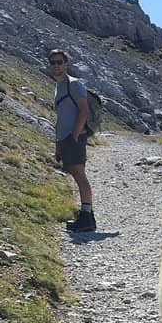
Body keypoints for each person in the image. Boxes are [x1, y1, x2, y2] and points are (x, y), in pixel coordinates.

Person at [48, 48, 95, 232]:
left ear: (66, 64)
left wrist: (74, 136)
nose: (56, 66)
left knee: (79, 175)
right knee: (77, 175)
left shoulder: (74, 84)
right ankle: (87, 217)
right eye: (53, 63)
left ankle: (86, 217)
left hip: (74, 138)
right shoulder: (59, 86)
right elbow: (60, 117)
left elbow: (83, 111)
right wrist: (58, 145)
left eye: (59, 62)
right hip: (65, 139)